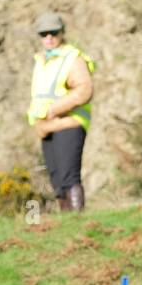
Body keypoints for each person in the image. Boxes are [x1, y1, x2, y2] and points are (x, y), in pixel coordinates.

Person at [26, 12, 95, 212]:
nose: (48, 37)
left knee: (69, 176)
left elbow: (84, 90)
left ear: (62, 33)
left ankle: (77, 219)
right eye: (44, 33)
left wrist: (55, 109)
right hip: (47, 127)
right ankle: (67, 222)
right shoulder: (42, 60)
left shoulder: (72, 58)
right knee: (57, 179)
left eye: (53, 33)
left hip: (68, 124)